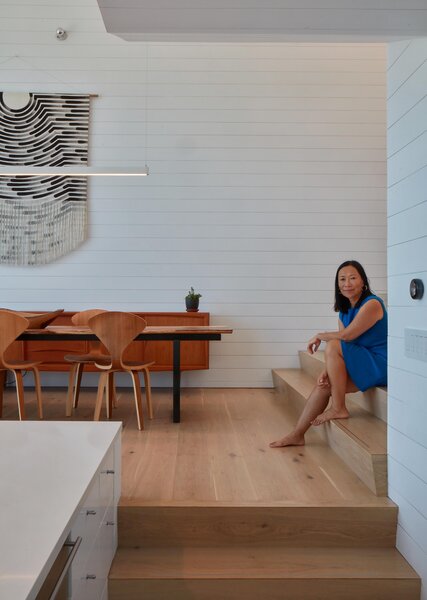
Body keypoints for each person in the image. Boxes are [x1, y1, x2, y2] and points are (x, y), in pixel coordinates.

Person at [270, 260, 387, 448]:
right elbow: (347, 344)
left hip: (381, 363)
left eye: (352, 278)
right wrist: (328, 369)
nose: (346, 283)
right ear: (337, 285)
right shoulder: (345, 311)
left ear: (363, 282)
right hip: (364, 360)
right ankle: (297, 434)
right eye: (342, 279)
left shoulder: (372, 304)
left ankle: (339, 408)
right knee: (325, 385)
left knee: (333, 344)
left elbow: (347, 336)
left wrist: (320, 336)